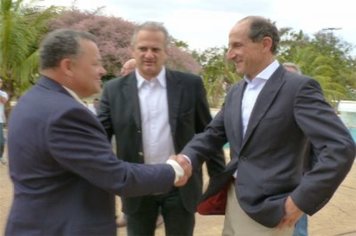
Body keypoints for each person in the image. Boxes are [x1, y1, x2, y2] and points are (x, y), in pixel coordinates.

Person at [178, 16, 355, 235]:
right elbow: (213, 134)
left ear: (265, 44)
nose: (229, 54)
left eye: (237, 45)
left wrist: (300, 200)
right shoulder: (236, 91)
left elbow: (340, 147)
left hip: (271, 210)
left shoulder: (298, 88)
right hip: (234, 200)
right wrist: (186, 158)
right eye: (229, 47)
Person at [5, 29, 192, 236]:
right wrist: (174, 170)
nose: (102, 70)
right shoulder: (66, 113)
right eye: (95, 63)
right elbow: (116, 176)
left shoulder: (30, 101)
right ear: (68, 66)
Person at [98, 21, 226, 236]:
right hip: (137, 186)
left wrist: (218, 179)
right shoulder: (113, 90)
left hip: (180, 186)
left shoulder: (190, 85)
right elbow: (100, 137)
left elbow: (209, 133)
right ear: (133, 50)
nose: (149, 54)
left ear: (166, 52)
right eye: (143, 48)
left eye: (156, 49)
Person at [283, 62, 308, 236]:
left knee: (297, 231)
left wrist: (306, 193)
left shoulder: (310, 114)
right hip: (266, 190)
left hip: (298, 188)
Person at [0, 77, 8, 165]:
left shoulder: (3, 94)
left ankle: (1, 156)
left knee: (1, 141)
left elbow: (4, 100)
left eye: (0, 82)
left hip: (0, 120)